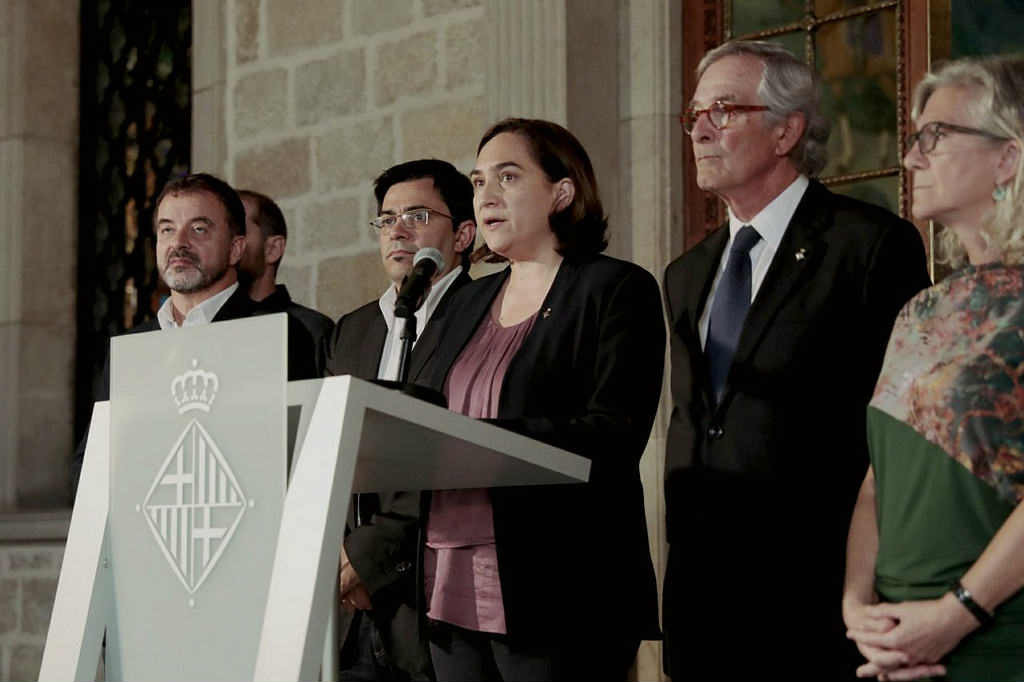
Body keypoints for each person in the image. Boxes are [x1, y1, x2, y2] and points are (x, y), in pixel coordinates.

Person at [662, 40, 931, 679]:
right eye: (694, 114)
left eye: (723, 110)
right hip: (703, 607)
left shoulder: (868, 245)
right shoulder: (684, 274)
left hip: (819, 603)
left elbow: (902, 431)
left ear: (787, 129)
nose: (700, 128)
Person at [418, 118, 664, 681]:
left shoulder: (614, 289)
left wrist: (483, 443)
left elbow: (615, 433)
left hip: (559, 582)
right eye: (478, 182)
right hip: (448, 575)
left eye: (508, 177)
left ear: (562, 191)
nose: (486, 196)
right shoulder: (464, 300)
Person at [843, 55, 1024, 681]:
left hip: (998, 642)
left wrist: (956, 614)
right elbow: (876, 482)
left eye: (934, 138)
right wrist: (857, 607)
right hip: (897, 646)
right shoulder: (921, 309)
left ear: (1008, 158)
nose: (913, 158)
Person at [321, 159, 476, 681]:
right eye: (387, 219)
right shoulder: (353, 329)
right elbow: (329, 449)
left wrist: (374, 554)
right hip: (350, 607)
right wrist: (340, 557)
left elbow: (463, 450)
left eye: (417, 215)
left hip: (435, 601)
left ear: (463, 233)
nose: (398, 230)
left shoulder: (485, 314)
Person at [72, 173, 317, 489]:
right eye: (167, 229)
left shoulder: (280, 335)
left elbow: (300, 461)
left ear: (235, 249)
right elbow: (90, 463)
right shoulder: (130, 347)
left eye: (199, 229)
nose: (179, 243)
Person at [237, 189, 333, 347]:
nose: (226, 243)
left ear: (273, 249)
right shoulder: (204, 324)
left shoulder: (312, 330)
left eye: (238, 231)